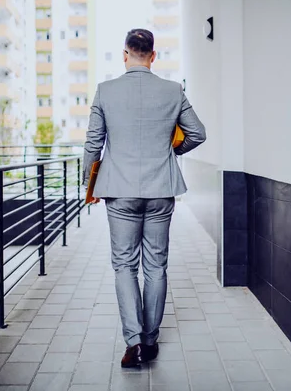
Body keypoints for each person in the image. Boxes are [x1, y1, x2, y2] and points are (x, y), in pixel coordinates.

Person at [82, 28, 206, 367]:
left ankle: (133, 342)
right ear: (153, 55)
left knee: (124, 265)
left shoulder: (106, 91)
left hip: (118, 190)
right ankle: (150, 340)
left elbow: (93, 143)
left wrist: (88, 184)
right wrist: (173, 151)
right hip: (161, 188)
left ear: (125, 54)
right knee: (156, 265)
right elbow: (198, 133)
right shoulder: (172, 90)